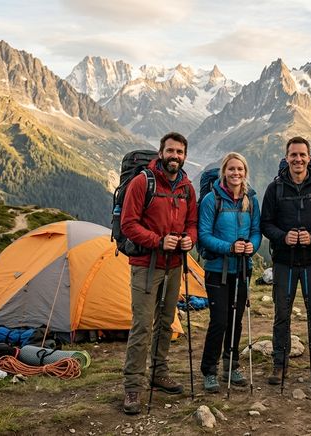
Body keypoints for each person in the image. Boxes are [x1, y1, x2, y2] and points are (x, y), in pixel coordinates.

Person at [120, 132, 197, 414]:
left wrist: (190, 239)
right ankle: (133, 387)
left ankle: (159, 372)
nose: (174, 156)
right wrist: (157, 241)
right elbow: (128, 224)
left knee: (166, 322)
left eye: (179, 152)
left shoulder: (187, 188)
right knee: (142, 325)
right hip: (146, 265)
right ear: (161, 152)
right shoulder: (143, 182)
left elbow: (192, 223)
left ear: (184, 156)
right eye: (170, 151)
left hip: (174, 265)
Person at [261, 136, 311, 385]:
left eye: (302, 155)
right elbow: (266, 224)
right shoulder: (275, 188)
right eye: (293, 155)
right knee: (282, 313)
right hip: (284, 260)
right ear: (286, 158)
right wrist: (284, 237)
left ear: (309, 156)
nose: (298, 159)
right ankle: (279, 364)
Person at [197, 152, 261, 393]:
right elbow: (203, 235)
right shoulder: (211, 200)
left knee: (236, 321)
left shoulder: (251, 199)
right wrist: (230, 248)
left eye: (240, 169)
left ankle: (232, 365)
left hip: (243, 269)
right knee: (220, 320)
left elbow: (256, 230)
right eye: (231, 169)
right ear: (224, 171)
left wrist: (251, 246)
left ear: (245, 172)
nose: (236, 173)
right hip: (217, 270)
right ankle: (209, 370)